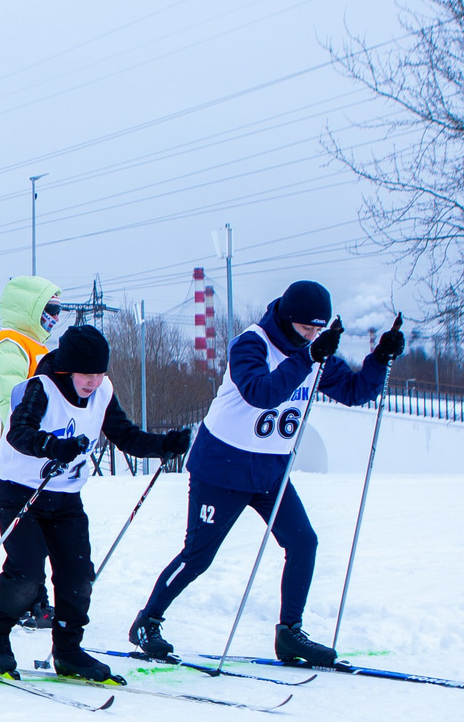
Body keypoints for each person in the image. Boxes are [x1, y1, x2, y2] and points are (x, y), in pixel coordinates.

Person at [128, 281, 403, 668]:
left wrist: (380, 359)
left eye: (319, 330)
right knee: (198, 557)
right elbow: (261, 392)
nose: (313, 336)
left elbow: (356, 391)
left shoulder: (313, 352)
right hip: (222, 468)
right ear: (288, 320)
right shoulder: (251, 344)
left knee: (304, 542)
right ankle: (147, 622)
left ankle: (290, 633)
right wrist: (308, 357)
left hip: (271, 471)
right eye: (307, 328)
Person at [0, 324, 190, 684]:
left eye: (99, 373)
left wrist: (162, 445)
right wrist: (51, 446)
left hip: (65, 497)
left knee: (78, 577)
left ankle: (68, 650)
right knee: (27, 574)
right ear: (67, 368)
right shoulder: (41, 388)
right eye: (86, 374)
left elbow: (124, 434)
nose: (93, 381)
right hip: (20, 492)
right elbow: (18, 432)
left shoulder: (103, 392)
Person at [0, 275, 61, 620]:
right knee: (25, 540)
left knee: (42, 535)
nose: (54, 317)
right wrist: (34, 437)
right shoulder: (9, 348)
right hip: (16, 456)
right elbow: (12, 401)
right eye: (49, 309)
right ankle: (20, 603)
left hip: (40, 455)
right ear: (30, 308)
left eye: (58, 310)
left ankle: (36, 600)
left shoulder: (38, 349)